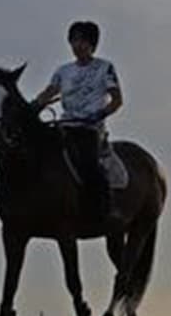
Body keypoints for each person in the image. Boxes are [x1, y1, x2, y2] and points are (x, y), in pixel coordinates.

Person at [31, 20, 124, 222]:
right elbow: (49, 91)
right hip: (65, 125)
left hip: (90, 129)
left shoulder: (105, 68)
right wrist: (34, 106)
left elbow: (117, 100)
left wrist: (100, 113)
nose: (76, 45)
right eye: (73, 41)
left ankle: (106, 208)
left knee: (90, 165)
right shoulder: (63, 71)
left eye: (81, 40)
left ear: (91, 44)